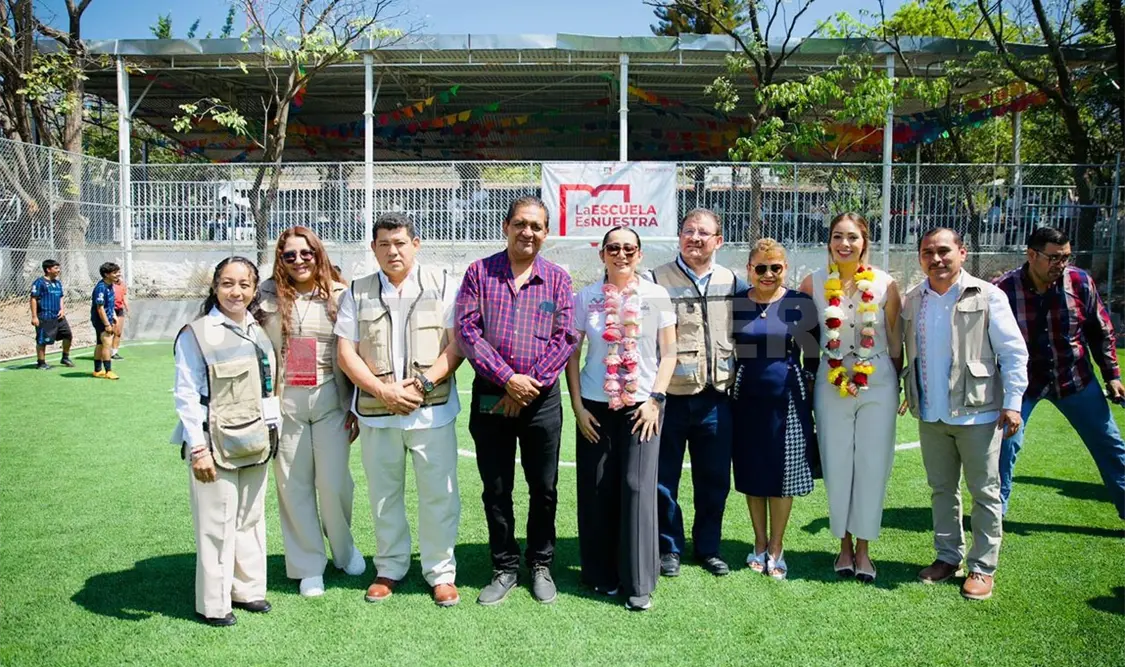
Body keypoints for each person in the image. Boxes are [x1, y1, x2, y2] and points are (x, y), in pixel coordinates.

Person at [337, 213, 464, 607]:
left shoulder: (443, 283)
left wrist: (422, 385)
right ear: (373, 248)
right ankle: (390, 567)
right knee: (383, 495)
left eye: (400, 243)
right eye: (384, 244)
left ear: (416, 244)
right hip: (378, 413)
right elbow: (346, 352)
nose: (393, 251)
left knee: (439, 495)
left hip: (432, 411)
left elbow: (457, 345)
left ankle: (440, 572)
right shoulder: (356, 291)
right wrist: (382, 391)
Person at [456, 196, 577, 606]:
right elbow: (467, 331)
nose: (528, 232)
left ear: (546, 232)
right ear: (506, 226)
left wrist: (530, 385)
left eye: (536, 226)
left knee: (544, 487)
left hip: (541, 400)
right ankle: (504, 566)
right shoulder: (479, 272)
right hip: (493, 396)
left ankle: (541, 563)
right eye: (521, 224)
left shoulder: (558, 279)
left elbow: (566, 336)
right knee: (496, 487)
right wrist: (508, 380)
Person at [901, 228, 1028, 601]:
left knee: (984, 492)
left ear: (962, 253)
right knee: (942, 489)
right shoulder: (914, 299)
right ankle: (947, 557)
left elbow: (1013, 353)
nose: (936, 259)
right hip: (931, 413)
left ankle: (982, 567)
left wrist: (1013, 403)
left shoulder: (988, 296)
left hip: (978, 413)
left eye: (944, 251)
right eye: (928, 252)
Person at [566, 227, 676, 612]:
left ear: (640, 254)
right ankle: (600, 573)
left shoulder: (657, 295)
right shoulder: (586, 297)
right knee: (597, 487)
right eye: (613, 248)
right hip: (594, 406)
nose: (621, 254)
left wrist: (656, 399)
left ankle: (639, 581)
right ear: (603, 255)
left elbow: (669, 353)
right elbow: (572, 355)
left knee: (636, 486)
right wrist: (578, 408)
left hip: (643, 406)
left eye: (629, 248)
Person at [258, 227, 365, 599]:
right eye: (289, 255)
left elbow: (358, 352)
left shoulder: (341, 294)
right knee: (293, 486)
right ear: (280, 259)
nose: (299, 261)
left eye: (306, 253)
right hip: (286, 402)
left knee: (334, 484)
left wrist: (356, 405)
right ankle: (308, 565)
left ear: (318, 254)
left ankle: (344, 549)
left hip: (330, 399)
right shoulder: (266, 295)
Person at [171, 256, 278, 627]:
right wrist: (198, 449)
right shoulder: (197, 333)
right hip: (214, 444)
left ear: (254, 289)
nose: (236, 292)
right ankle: (214, 604)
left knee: (250, 517)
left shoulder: (257, 328)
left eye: (245, 285)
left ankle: (248, 590)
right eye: (228, 284)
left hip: (255, 439)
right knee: (216, 523)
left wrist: (273, 431)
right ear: (215, 287)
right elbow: (186, 395)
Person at [995, 226, 1125, 520]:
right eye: (1054, 257)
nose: (1061, 264)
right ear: (1031, 255)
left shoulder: (1080, 282)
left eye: (1066, 257)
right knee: (1003, 446)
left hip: (1074, 378)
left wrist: (1112, 375)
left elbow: (1101, 331)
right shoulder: (1002, 290)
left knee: (1110, 445)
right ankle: (994, 515)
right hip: (1023, 385)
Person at [799, 212, 902, 583]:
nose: (845, 244)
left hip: (878, 381)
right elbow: (806, 340)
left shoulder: (885, 283)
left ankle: (864, 550)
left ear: (864, 242)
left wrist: (899, 383)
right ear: (829, 241)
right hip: (831, 381)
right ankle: (843, 546)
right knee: (837, 463)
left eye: (853, 237)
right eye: (838, 236)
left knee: (873, 465)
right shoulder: (812, 283)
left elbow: (895, 340)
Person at [647, 208, 745, 578]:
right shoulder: (656, 279)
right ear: (679, 236)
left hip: (716, 396)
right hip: (670, 397)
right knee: (663, 480)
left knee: (715, 479)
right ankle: (668, 548)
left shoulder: (731, 281)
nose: (695, 238)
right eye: (689, 231)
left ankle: (708, 547)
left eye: (704, 233)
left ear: (718, 241)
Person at [731, 238, 820, 581]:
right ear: (749, 269)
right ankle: (759, 541)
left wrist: (807, 387)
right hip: (746, 398)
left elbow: (812, 354)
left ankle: (777, 547)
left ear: (785, 268)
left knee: (783, 473)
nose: (768, 274)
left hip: (788, 398)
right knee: (753, 472)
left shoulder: (799, 302)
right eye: (761, 268)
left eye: (776, 267)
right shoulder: (738, 302)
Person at [29, 259, 74, 369]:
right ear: (48, 269)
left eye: (59, 268)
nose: (59, 270)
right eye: (56, 268)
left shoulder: (57, 283)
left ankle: (65, 357)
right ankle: (41, 363)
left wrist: (62, 309)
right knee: (42, 340)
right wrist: (34, 316)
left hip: (58, 317)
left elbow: (61, 296)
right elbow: (33, 299)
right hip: (45, 316)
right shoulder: (39, 283)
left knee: (68, 335)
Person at [91, 262, 121, 379]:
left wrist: (113, 315)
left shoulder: (110, 285)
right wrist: (107, 324)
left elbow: (109, 304)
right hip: (101, 320)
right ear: (106, 274)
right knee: (107, 344)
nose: (118, 274)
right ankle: (108, 371)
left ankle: (97, 370)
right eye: (115, 273)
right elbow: (100, 308)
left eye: (118, 272)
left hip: (106, 318)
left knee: (100, 344)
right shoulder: (101, 288)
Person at [111, 279, 129, 360]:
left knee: (118, 332)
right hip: (111, 309)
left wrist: (127, 309)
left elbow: (124, 298)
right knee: (110, 331)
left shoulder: (122, 285)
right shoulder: (109, 285)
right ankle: (106, 352)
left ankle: (114, 353)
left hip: (119, 310)